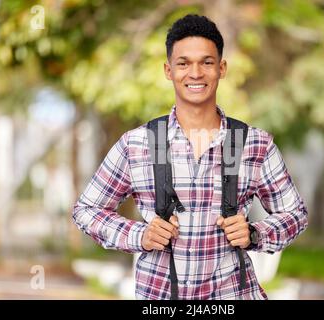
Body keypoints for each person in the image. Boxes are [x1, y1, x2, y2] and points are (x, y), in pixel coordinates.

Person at [72, 14, 308, 300]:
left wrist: (256, 234)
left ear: (221, 68)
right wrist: (140, 236)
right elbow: (86, 210)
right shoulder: (137, 144)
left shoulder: (253, 144)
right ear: (168, 70)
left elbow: (295, 214)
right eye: (183, 63)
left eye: (206, 62)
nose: (195, 73)